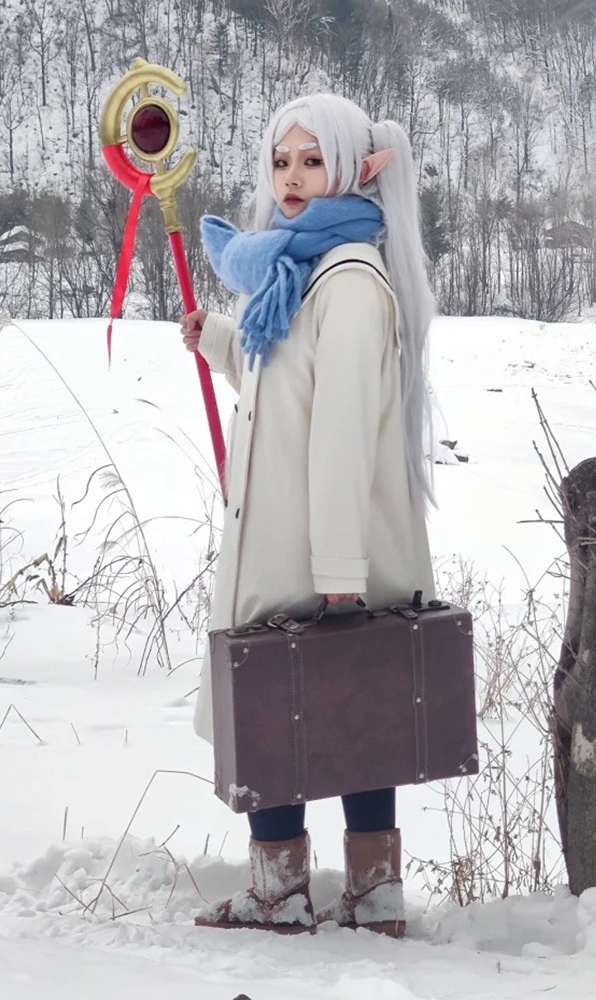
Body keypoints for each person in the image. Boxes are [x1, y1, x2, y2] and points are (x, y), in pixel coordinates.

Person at [180, 93, 435, 938]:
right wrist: (220, 341)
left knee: (351, 706)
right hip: (294, 544)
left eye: (311, 161)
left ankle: (373, 898)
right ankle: (282, 893)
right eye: (280, 161)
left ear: (352, 169)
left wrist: (337, 576)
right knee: (284, 711)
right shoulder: (299, 272)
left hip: (328, 551)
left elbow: (339, 441)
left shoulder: (352, 281)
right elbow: (286, 388)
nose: (291, 179)